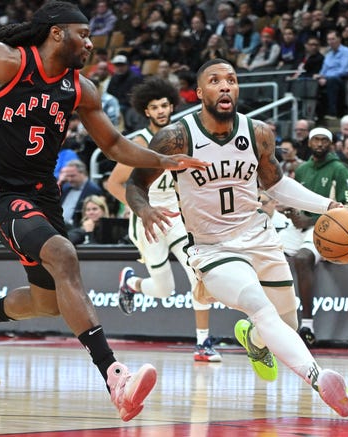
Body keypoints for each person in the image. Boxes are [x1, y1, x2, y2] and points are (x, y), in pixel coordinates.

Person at [0, 2, 207, 421]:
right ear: (56, 33)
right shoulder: (7, 60)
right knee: (63, 255)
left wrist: (161, 161)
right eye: (82, 34)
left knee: (47, 302)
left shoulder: (81, 88)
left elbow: (112, 145)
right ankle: (114, 374)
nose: (90, 43)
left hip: (44, 197)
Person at [125, 59, 348, 417]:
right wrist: (144, 210)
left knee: (287, 322)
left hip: (258, 237)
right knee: (258, 304)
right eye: (215, 81)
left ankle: (252, 338)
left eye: (231, 80)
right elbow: (135, 184)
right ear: (200, 93)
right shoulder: (176, 137)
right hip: (211, 246)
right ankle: (319, 377)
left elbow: (276, 184)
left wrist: (329, 205)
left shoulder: (259, 132)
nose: (225, 86)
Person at [106, 77, 222, 363]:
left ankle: (203, 343)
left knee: (199, 275)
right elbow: (113, 184)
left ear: (172, 106)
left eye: (164, 105)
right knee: (164, 290)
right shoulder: (140, 143)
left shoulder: (183, 137)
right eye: (154, 107)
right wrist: (143, 209)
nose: (160, 111)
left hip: (179, 219)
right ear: (146, 112)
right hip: (148, 220)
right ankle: (131, 283)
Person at [291, 127, 348, 346]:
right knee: (265, 252)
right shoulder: (301, 170)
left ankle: (307, 325)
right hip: (297, 228)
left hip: (325, 227)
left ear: (331, 144)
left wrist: (308, 221)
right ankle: (271, 323)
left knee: (301, 258)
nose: (319, 144)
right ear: (309, 143)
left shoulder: (340, 169)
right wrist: (293, 214)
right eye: (316, 140)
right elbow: (295, 201)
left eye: (324, 140)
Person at [58, 159, 103, 230]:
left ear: (82, 173)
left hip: (78, 228)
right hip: (59, 226)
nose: (69, 179)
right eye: (68, 176)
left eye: (72, 176)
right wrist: (59, 182)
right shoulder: (65, 187)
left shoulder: (93, 190)